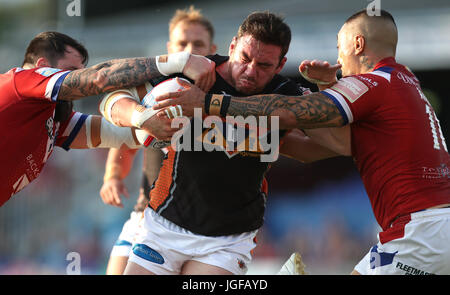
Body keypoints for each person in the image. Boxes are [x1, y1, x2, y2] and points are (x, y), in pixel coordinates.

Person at [156, 9, 450, 275]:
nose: (339, 59)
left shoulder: (371, 83)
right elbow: (345, 141)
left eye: (340, 47)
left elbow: (291, 112)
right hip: (435, 224)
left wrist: (210, 102)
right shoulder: (405, 80)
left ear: (357, 45)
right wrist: (324, 86)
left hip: (419, 231)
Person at [101, 11, 339, 275]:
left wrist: (328, 88)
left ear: (280, 65)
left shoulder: (285, 94)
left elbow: (328, 144)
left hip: (228, 239)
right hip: (164, 225)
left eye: (264, 66)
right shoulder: (194, 74)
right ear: (232, 46)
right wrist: (142, 118)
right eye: (245, 58)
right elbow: (113, 101)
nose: (250, 71)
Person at [0, 30, 215, 207]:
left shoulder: (52, 119)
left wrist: (176, 122)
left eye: (79, 72)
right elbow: (99, 78)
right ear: (41, 67)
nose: (77, 79)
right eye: (71, 72)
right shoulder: (20, 81)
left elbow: (120, 134)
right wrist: (180, 61)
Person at [102, 6, 218, 275]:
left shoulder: (224, 94)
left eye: (198, 44)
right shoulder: (155, 89)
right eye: (182, 43)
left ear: (212, 47)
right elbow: (126, 132)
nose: (190, 49)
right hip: (148, 215)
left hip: (206, 228)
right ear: (170, 47)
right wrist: (113, 174)